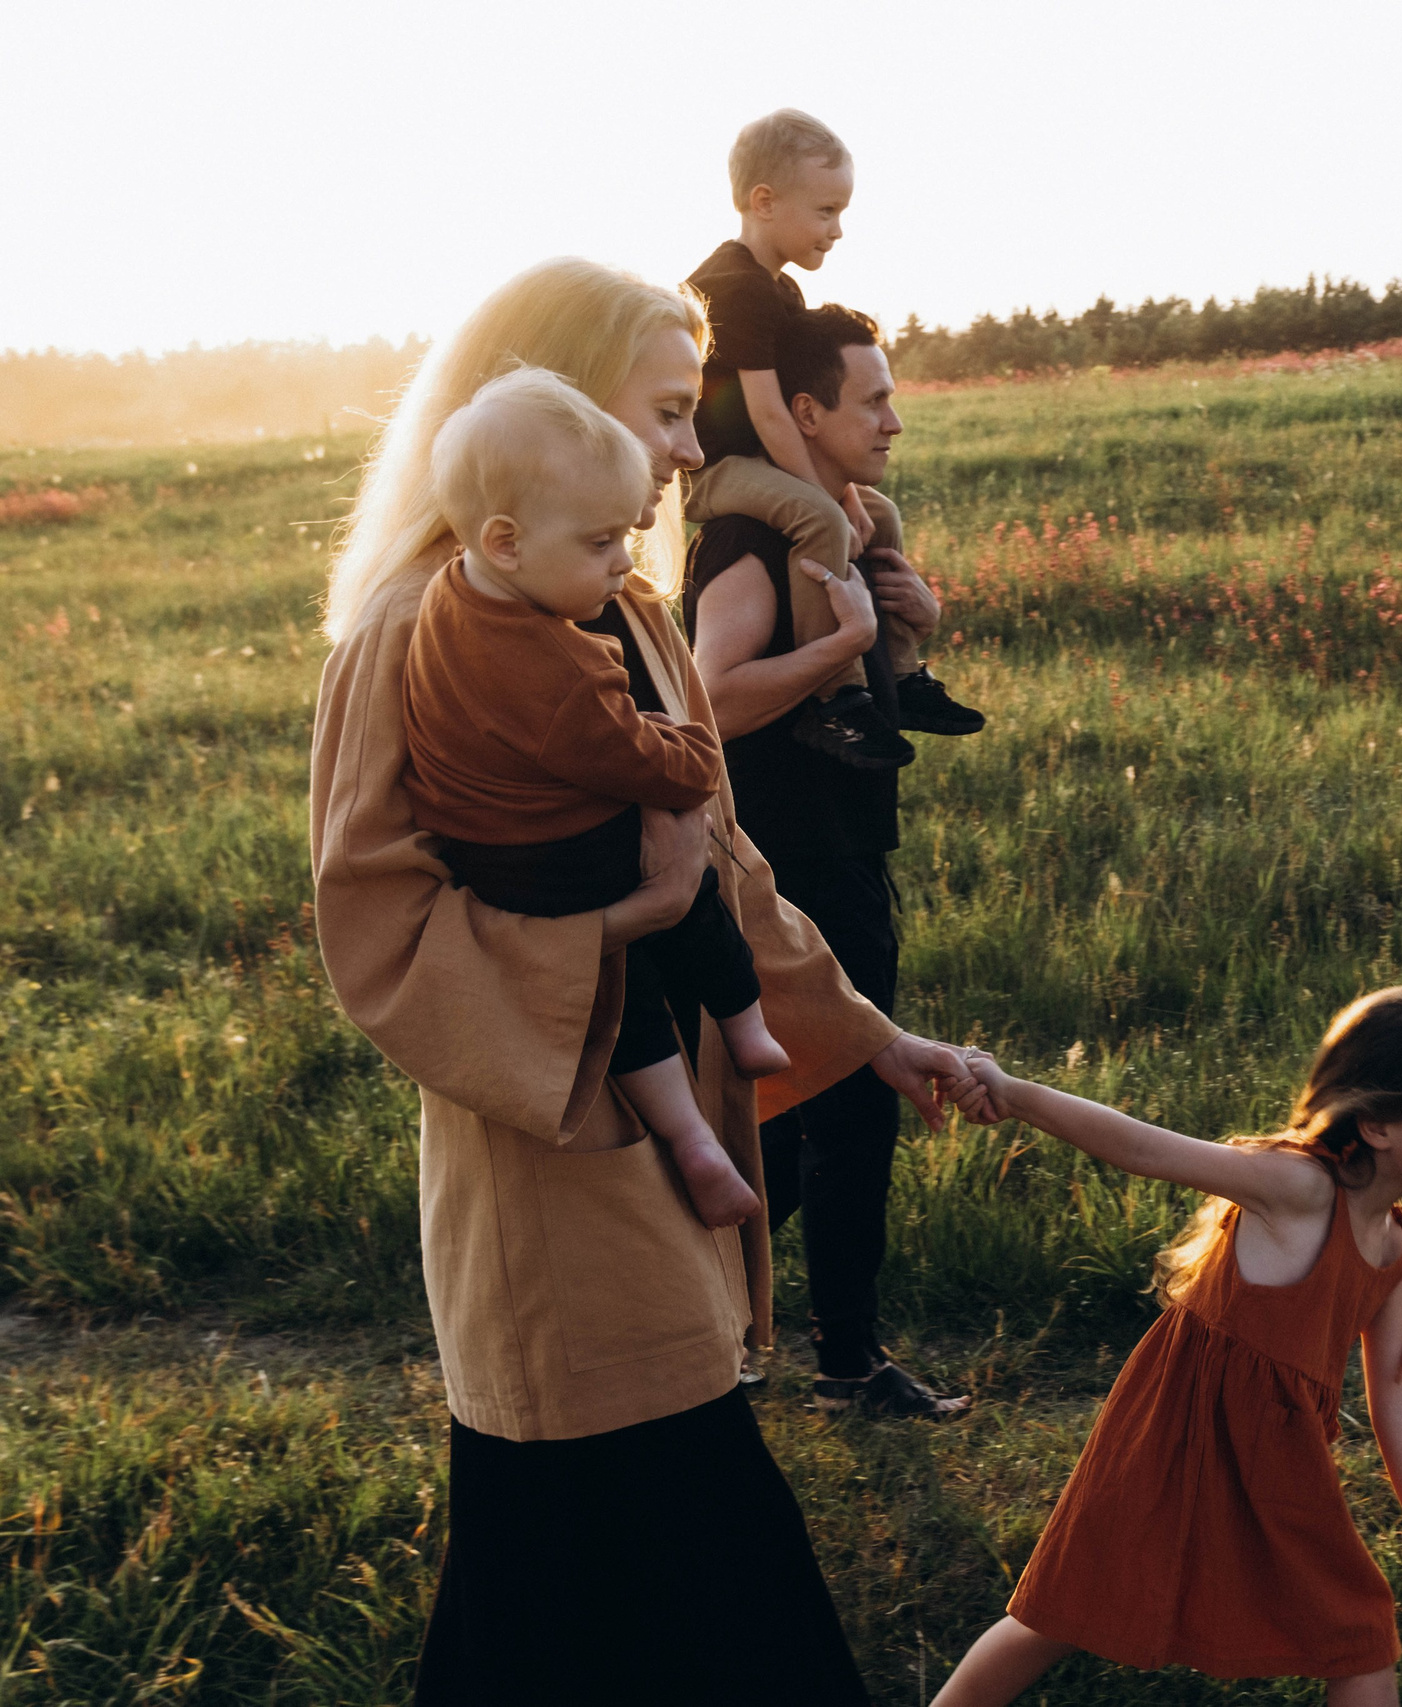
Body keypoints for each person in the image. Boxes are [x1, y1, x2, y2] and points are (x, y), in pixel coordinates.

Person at [313, 256, 968, 1704]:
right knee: (704, 1567)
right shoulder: (408, 635)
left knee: (546, 1591)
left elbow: (726, 868)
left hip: (648, 1153)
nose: (691, 450)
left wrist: (868, 1036)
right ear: (534, 409)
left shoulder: (631, 611)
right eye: (669, 412)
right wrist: (622, 917)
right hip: (544, 1172)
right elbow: (377, 932)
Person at [931, 987, 1402, 1707]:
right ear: (1379, 1123)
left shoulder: (1393, 1249)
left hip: (1276, 1461)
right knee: (1059, 1611)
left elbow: (1396, 1398)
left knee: (1359, 1635)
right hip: (1171, 1439)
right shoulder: (1299, 1187)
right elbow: (1142, 1146)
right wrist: (1014, 1094)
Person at [404, 369, 783, 1229]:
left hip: (493, 858)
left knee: (618, 1003)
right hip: (566, 852)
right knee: (690, 907)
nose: (623, 558)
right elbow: (651, 762)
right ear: (507, 541)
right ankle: (747, 1020)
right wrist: (695, 747)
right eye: (601, 542)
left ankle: (688, 1138)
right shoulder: (562, 665)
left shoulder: (444, 597)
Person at [689, 302, 968, 1419]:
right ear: (804, 411)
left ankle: (704, 1314)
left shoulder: (841, 527)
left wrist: (912, 628)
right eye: (875, 398)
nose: (895, 419)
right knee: (845, 1110)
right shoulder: (754, 541)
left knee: (805, 1119)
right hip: (790, 858)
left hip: (846, 840)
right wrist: (845, 645)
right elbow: (711, 694)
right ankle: (842, 1361)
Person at [686, 106, 984, 769]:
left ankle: (901, 674)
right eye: (825, 211)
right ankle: (836, 697)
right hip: (719, 465)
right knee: (824, 516)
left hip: (758, 457)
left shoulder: (778, 288)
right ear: (764, 202)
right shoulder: (732, 289)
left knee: (882, 512)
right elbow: (770, 414)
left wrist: (855, 496)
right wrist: (835, 494)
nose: (837, 230)